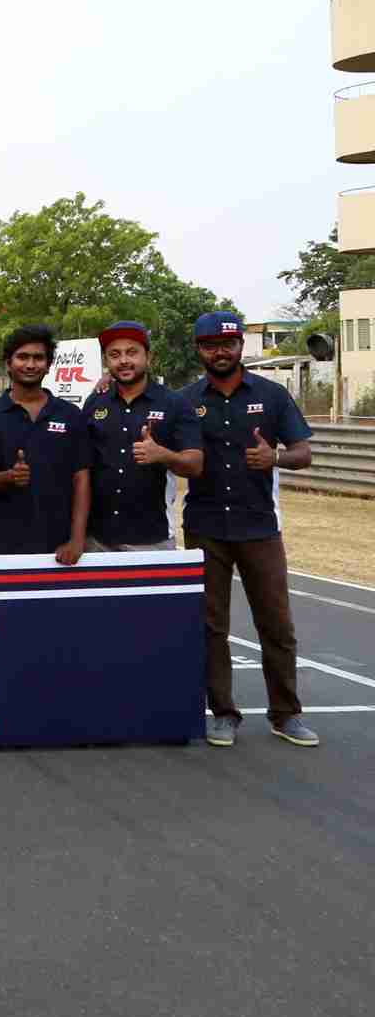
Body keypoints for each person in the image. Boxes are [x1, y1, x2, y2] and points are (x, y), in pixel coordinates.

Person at [182, 311, 318, 749]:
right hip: (205, 527)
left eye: (228, 344)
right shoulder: (185, 400)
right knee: (210, 627)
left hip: (259, 527)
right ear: (199, 350)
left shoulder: (272, 395)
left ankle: (286, 714)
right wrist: (106, 384)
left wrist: (274, 458)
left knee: (277, 625)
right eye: (210, 345)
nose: (220, 352)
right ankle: (223, 714)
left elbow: (303, 453)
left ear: (241, 345)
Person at [0, 325, 91, 564]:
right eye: (22, 357)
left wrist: (77, 539)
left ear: (48, 365)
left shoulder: (70, 415)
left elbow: (82, 478)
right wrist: (9, 477)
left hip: (61, 544)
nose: (30, 364)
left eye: (38, 358)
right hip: (4, 540)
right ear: (8, 363)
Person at [81, 321, 203, 551]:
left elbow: (195, 465)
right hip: (96, 539)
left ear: (149, 357)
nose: (123, 360)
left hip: (151, 539)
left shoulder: (175, 403)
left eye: (132, 352)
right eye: (115, 355)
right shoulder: (95, 402)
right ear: (106, 361)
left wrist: (163, 455)